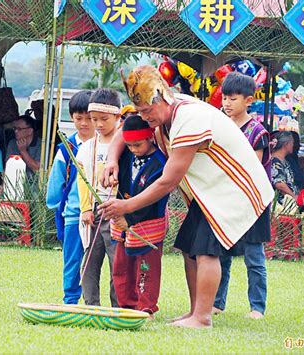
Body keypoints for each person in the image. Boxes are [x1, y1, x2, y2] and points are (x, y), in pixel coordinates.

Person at [100, 65, 274, 328]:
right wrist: (112, 160)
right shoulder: (161, 115)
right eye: (141, 111)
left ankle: (203, 318)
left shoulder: (188, 118)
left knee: (205, 251)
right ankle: (195, 312)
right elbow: (126, 130)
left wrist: (126, 205)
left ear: (162, 98)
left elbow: (168, 180)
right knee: (190, 249)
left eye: (148, 111)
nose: (144, 117)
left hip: (233, 191)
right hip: (209, 194)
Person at [213, 72, 271, 319]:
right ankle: (217, 303)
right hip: (225, 201)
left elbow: (252, 167)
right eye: (225, 97)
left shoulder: (257, 131)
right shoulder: (218, 125)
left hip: (252, 202)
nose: (226, 103)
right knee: (221, 255)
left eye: (233, 98)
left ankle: (257, 307)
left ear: (249, 100)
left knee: (254, 258)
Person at [110, 115, 168, 316]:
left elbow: (153, 198)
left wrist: (130, 218)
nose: (133, 149)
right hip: (122, 223)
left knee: (147, 268)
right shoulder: (124, 155)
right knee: (121, 267)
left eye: (137, 145)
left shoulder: (161, 163)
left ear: (150, 137)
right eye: (129, 145)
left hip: (147, 224)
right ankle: (126, 306)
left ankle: (145, 307)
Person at [46, 90, 95, 304]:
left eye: (89, 118)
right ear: (72, 118)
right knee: (73, 259)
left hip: (101, 213)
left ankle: (94, 300)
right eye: (78, 118)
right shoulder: (66, 148)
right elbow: (56, 182)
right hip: (74, 213)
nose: (84, 123)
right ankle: (71, 299)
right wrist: (57, 207)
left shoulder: (107, 145)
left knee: (97, 260)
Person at [76, 88, 122, 307]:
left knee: (117, 262)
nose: (99, 124)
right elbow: (82, 180)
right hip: (95, 211)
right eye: (95, 120)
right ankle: (90, 304)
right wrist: (86, 209)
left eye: (104, 119)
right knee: (90, 262)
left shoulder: (125, 145)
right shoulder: (86, 148)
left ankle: (118, 306)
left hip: (116, 210)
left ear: (118, 117)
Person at [5, 114, 41, 180]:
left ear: (30, 131)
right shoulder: (12, 143)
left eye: (19, 129)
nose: (15, 131)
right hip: (15, 182)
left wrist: (23, 151)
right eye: (14, 128)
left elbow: (37, 170)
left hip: (35, 185)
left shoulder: (41, 145)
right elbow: (8, 168)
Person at [271, 131, 298, 203]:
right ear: (286, 144)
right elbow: (279, 184)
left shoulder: (285, 161)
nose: (293, 145)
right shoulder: (274, 161)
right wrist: (294, 197)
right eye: (292, 143)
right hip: (280, 205)